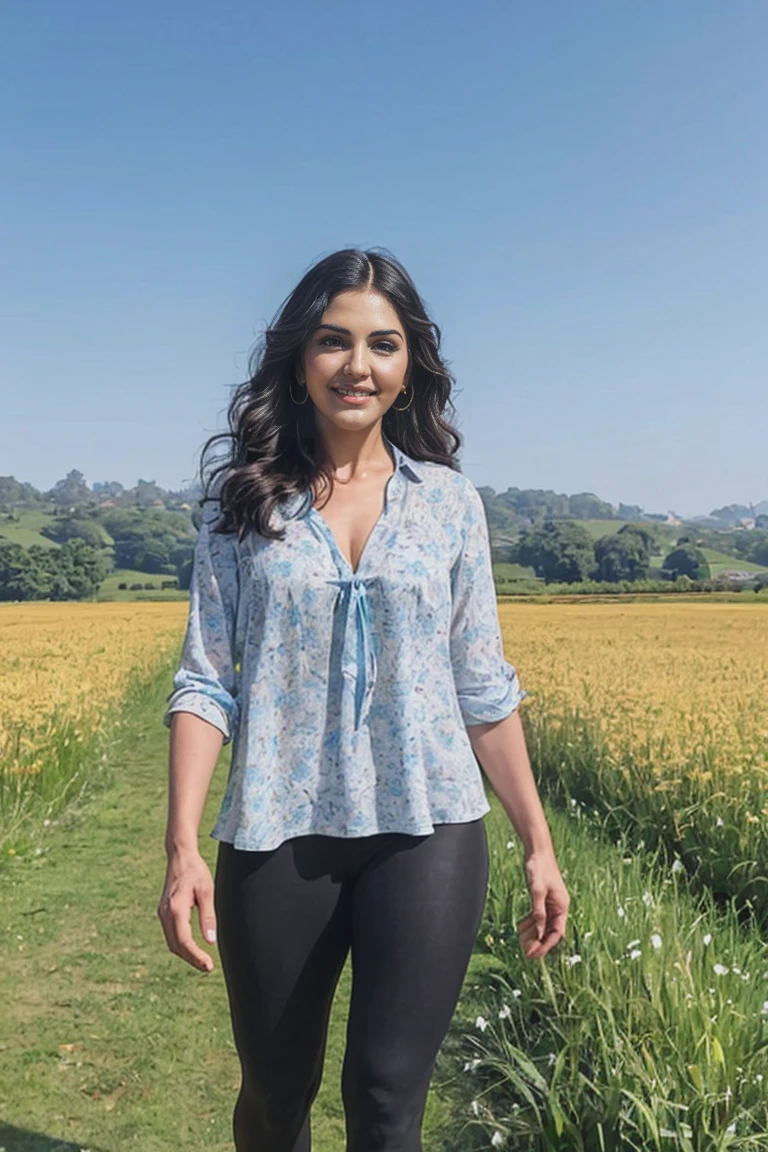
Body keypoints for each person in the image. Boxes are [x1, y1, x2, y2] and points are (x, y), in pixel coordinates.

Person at [157, 247, 570, 1152]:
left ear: (409, 363)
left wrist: (538, 845)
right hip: (277, 827)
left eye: (383, 344)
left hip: (428, 831)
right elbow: (205, 679)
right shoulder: (240, 507)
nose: (358, 365)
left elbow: (482, 684)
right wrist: (183, 845)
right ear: (298, 360)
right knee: (277, 1097)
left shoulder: (453, 505)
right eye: (333, 342)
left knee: (387, 1102)